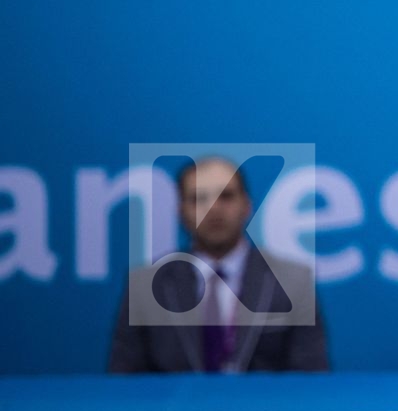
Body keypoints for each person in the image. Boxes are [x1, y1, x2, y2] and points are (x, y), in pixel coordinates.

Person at [108, 156, 330, 372]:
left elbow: (310, 380)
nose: (214, 208)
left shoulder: (293, 282)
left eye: (226, 196)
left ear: (247, 205)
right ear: (181, 210)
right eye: (199, 198)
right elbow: (123, 381)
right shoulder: (145, 285)